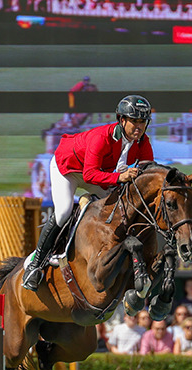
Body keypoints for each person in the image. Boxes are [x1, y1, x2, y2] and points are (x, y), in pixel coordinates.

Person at [24, 94, 155, 289]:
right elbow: (89, 175)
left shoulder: (142, 142)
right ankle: (35, 264)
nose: (139, 126)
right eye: (134, 121)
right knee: (63, 212)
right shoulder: (101, 138)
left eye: (142, 121)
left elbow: (148, 171)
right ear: (122, 120)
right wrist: (120, 177)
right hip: (67, 168)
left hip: (97, 173)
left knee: (121, 207)